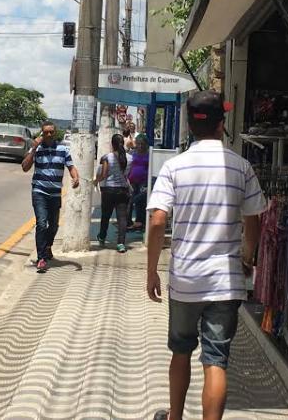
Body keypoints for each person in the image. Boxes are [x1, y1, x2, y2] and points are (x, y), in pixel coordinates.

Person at [146, 90, 266, 420]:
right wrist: (247, 257)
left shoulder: (174, 166)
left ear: (189, 125)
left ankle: (175, 417)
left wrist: (151, 271)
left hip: (185, 279)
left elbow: (157, 220)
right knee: (216, 360)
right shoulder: (242, 167)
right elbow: (253, 219)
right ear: (221, 124)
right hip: (226, 281)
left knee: (181, 351)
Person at [21, 121, 80, 273]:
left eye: (51, 132)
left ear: (55, 133)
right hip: (39, 192)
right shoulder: (37, 149)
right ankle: (41, 258)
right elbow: (25, 167)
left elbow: (71, 167)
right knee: (41, 224)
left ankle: (47, 246)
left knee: (53, 225)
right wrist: (34, 147)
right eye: (45, 132)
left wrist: (76, 178)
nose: (48, 135)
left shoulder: (63, 150)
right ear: (42, 133)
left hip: (55, 194)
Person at [94, 134, 132, 253]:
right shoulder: (130, 158)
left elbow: (104, 174)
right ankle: (121, 243)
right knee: (122, 218)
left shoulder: (107, 157)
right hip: (123, 190)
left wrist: (96, 180)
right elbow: (127, 174)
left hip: (109, 190)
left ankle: (102, 237)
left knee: (106, 215)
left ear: (112, 144)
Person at [128, 134, 149, 231]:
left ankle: (140, 222)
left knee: (140, 201)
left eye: (142, 144)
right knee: (131, 201)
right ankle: (130, 222)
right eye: (139, 144)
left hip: (143, 181)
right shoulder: (132, 153)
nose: (140, 146)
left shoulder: (149, 154)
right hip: (132, 181)